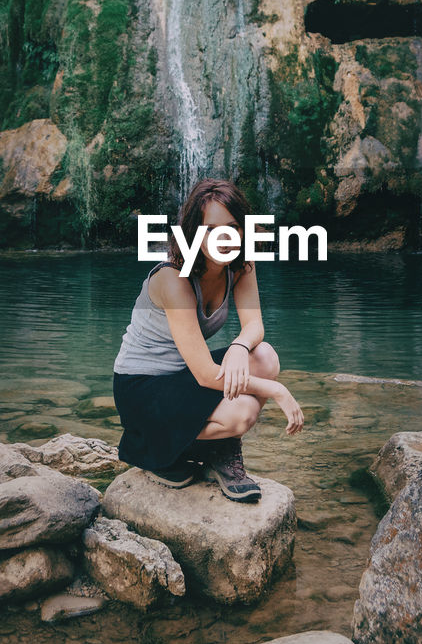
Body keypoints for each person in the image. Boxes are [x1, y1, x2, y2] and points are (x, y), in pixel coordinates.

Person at [112, 177, 304, 503]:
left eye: (232, 226)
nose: (224, 238)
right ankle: (170, 446)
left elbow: (254, 324)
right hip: (143, 387)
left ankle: (213, 446)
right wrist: (276, 390)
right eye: (211, 230)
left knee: (265, 357)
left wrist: (240, 347)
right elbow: (204, 374)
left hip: (183, 376)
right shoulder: (173, 279)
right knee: (242, 413)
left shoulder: (240, 265)